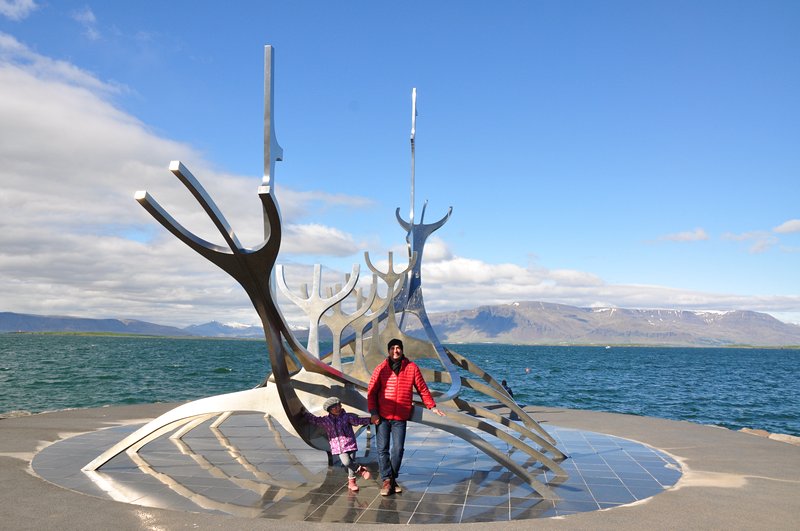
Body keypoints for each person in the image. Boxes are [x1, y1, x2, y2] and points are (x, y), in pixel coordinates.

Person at [367, 338, 446, 496]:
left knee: (398, 449)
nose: (395, 351)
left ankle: (391, 479)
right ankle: (387, 480)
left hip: (400, 416)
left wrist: (432, 406)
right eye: (392, 348)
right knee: (382, 449)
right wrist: (374, 412)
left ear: (402, 350)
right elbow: (371, 392)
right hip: (382, 416)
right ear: (388, 351)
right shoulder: (381, 368)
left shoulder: (411, 368)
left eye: (398, 348)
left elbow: (422, 389)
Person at [303, 396, 373, 491]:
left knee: (350, 465)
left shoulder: (347, 417)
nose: (337, 409)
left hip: (350, 443)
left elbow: (358, 421)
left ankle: (352, 483)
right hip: (338, 447)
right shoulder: (326, 420)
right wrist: (305, 414)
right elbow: (315, 420)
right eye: (334, 408)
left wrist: (371, 420)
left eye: (338, 406)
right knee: (346, 462)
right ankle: (361, 470)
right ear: (329, 410)